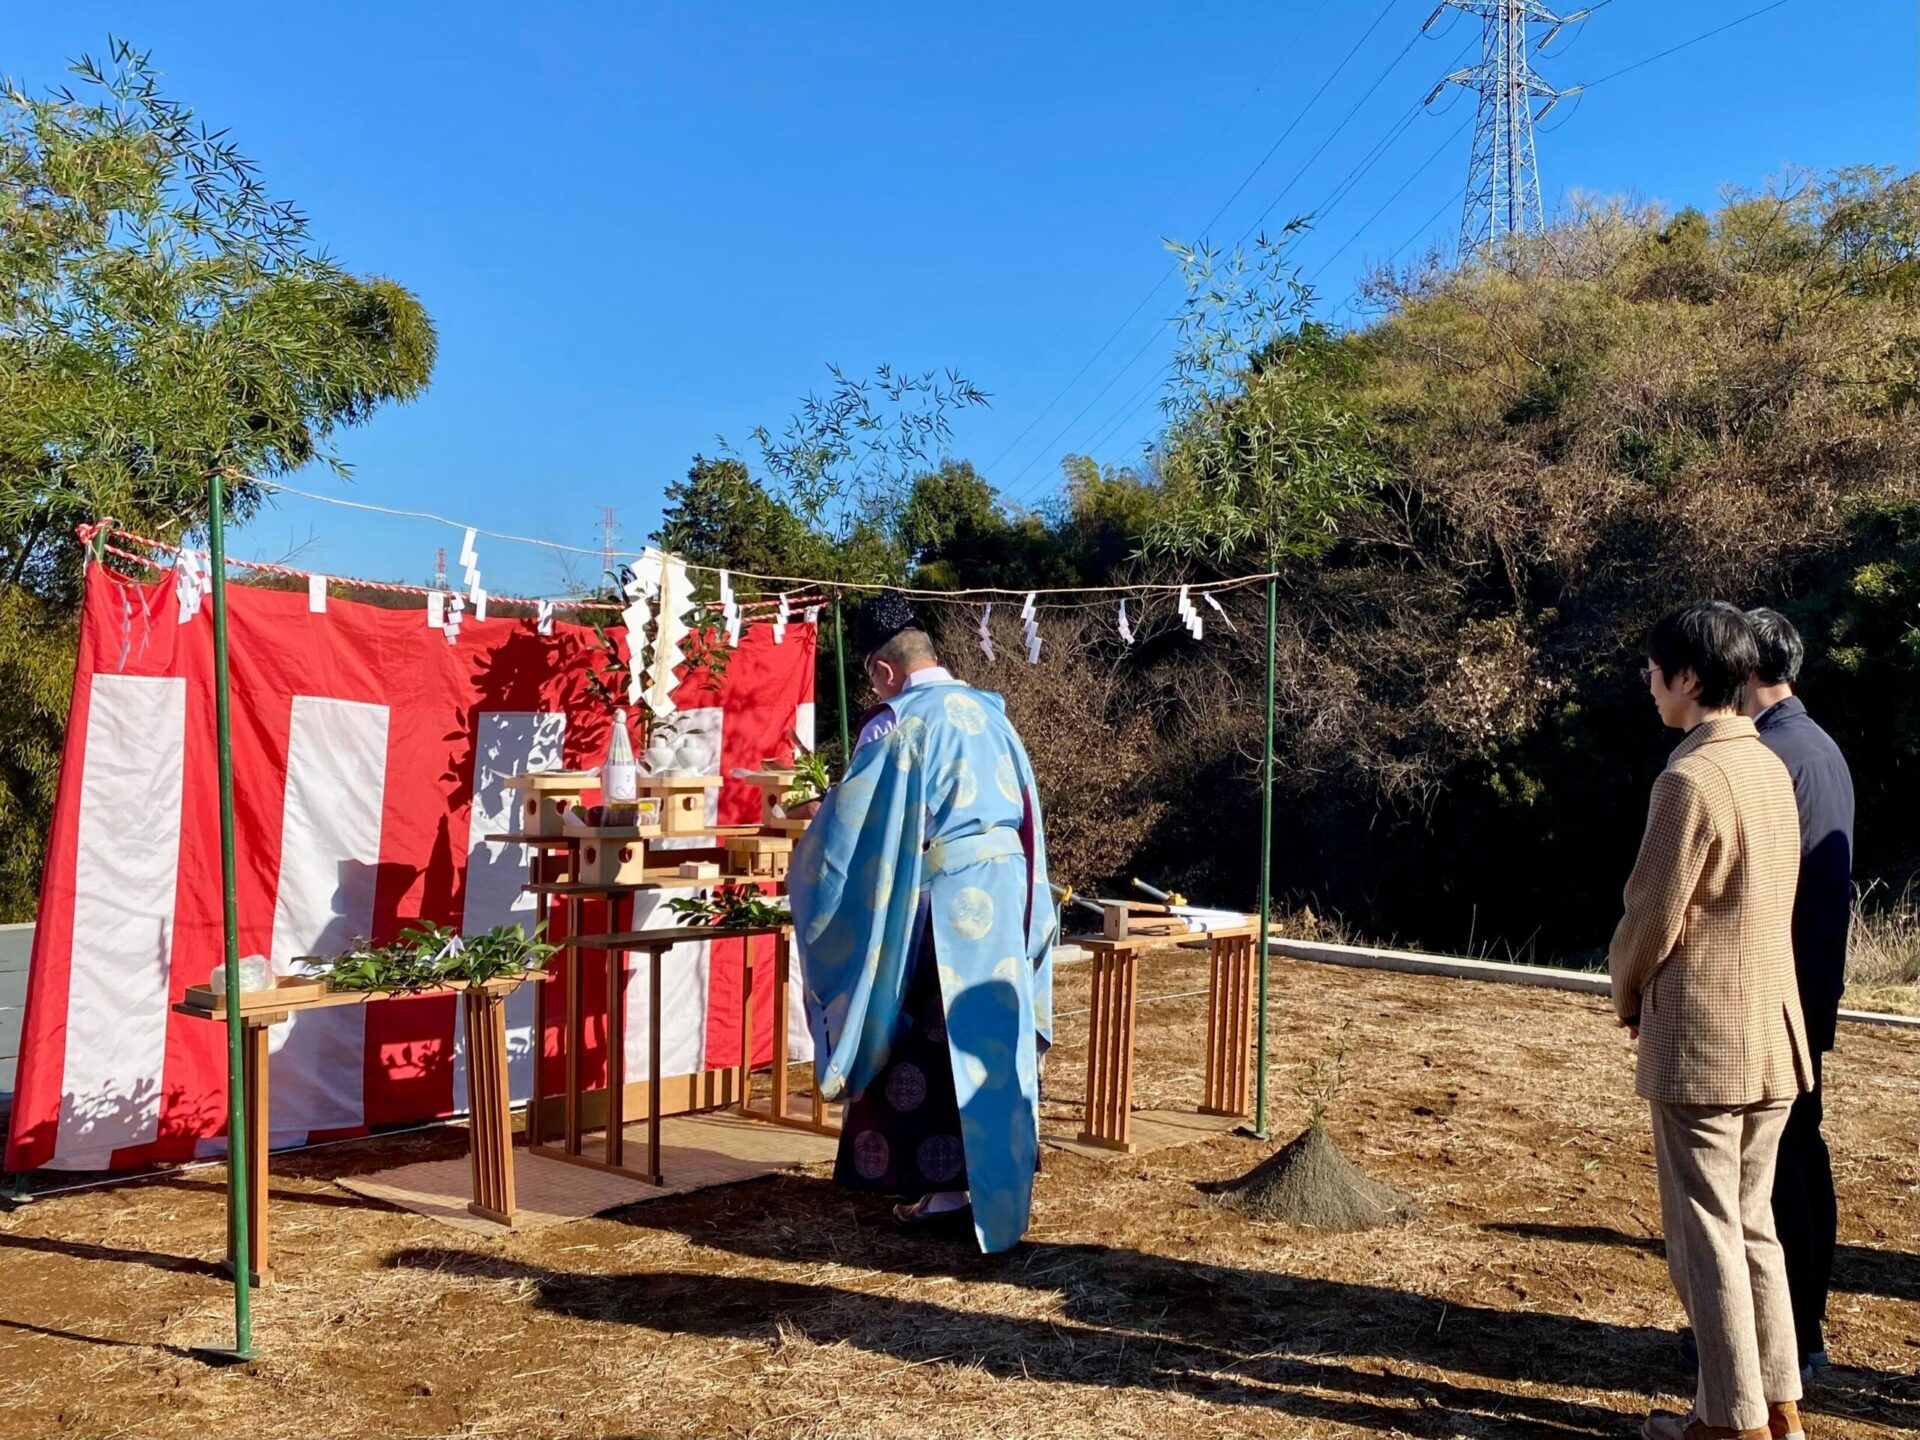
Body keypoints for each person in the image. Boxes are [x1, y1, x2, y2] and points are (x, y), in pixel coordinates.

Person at [788, 591, 1055, 1253]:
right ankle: (995, 1183)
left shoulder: (895, 724)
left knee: (925, 1042)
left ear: (882, 672)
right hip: (1004, 886)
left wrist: (812, 833)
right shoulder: (991, 714)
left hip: (937, 902)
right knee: (989, 1036)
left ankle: (941, 1189)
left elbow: (857, 831)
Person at [1609, 601, 1813, 1440]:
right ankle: (1780, 1406)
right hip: (1773, 1033)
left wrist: (1625, 991)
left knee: (1707, 1237)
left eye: (1657, 673)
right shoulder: (1770, 764)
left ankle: (1728, 1424)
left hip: (1704, 1044)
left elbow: (1651, 914)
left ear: (1690, 678)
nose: (1650, 688)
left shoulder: (1689, 778)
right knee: (1755, 1227)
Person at [1745, 607, 1854, 1378]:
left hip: (1778, 990)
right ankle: (1802, 1331)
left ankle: (1792, 1339)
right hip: (1809, 986)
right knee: (1800, 1155)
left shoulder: (1772, 755)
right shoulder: (1815, 744)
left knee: (1777, 1166)